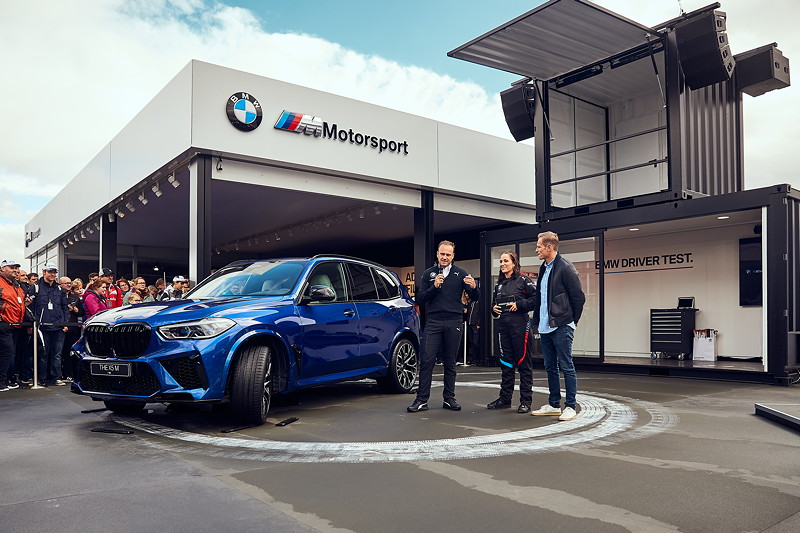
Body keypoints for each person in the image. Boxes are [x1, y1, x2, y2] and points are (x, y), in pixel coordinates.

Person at [407, 240, 479, 413]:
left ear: (453, 256)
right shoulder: (428, 274)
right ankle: (421, 400)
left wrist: (474, 288)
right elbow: (420, 298)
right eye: (442, 254)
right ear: (437, 254)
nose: (445, 257)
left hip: (454, 321)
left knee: (450, 362)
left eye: (448, 254)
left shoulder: (461, 273)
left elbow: (475, 296)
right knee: (427, 361)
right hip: (433, 322)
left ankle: (449, 398)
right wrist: (434, 286)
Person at [531, 231, 586, 421]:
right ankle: (554, 404)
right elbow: (540, 298)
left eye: (539, 246)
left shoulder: (565, 267)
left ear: (549, 247)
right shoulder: (543, 268)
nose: (536, 249)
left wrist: (573, 320)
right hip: (546, 326)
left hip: (562, 324)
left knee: (566, 365)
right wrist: (537, 321)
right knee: (549, 366)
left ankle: (570, 406)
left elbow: (578, 297)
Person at [487, 251, 537, 413]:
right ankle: (505, 399)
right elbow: (495, 307)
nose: (502, 264)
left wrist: (521, 304)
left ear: (514, 263)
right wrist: (493, 309)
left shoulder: (523, 280)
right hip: (503, 329)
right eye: (501, 261)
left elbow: (537, 299)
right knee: (506, 365)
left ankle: (525, 401)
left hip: (520, 327)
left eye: (505, 261)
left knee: (523, 364)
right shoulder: (499, 284)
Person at [27, 262, 69, 386]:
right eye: (50, 271)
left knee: (57, 354)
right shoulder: (35, 287)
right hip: (42, 327)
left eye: (54, 272)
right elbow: (30, 307)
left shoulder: (60, 288)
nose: (52, 274)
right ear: (44, 271)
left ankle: (56, 377)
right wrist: (32, 323)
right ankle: (42, 378)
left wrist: (65, 323)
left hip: (58, 326)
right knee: (43, 353)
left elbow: (64, 307)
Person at [0, 260, 26, 391]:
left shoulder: (16, 285)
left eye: (16, 268)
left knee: (10, 353)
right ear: (2, 268)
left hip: (16, 324)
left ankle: (8, 379)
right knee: (6, 352)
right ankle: (2, 381)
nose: (15, 270)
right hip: (4, 323)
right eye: (12, 267)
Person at [61, 277, 84, 380]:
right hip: (61, 327)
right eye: (66, 283)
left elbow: (81, 312)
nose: (68, 285)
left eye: (69, 283)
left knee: (71, 352)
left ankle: (70, 373)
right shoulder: (58, 295)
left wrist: (76, 309)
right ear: (60, 284)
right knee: (60, 352)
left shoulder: (75, 297)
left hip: (73, 328)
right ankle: (59, 374)